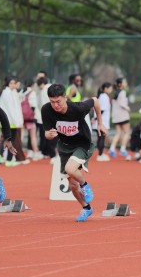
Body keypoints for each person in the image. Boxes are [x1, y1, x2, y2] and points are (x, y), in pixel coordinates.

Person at [42, 84, 108, 222]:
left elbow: (95, 100)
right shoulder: (46, 110)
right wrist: (48, 134)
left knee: (69, 169)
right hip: (65, 147)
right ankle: (86, 208)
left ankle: (85, 185)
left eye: (58, 101)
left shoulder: (78, 108)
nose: (55, 105)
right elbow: (47, 133)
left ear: (65, 98)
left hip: (82, 144)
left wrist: (100, 124)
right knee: (72, 185)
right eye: (52, 102)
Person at [109, 77, 131, 159]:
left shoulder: (115, 93)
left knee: (118, 133)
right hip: (123, 116)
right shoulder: (122, 92)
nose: (126, 83)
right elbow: (122, 104)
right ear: (120, 84)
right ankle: (123, 148)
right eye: (124, 82)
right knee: (127, 133)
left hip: (116, 117)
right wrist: (128, 108)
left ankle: (112, 148)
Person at [22, 78, 43, 161]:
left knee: (21, 136)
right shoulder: (32, 93)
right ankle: (36, 153)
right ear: (32, 85)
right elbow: (33, 106)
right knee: (33, 136)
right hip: (30, 117)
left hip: (23, 117)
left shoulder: (22, 92)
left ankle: (16, 152)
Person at [92, 82, 112, 162]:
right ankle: (100, 155)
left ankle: (100, 154)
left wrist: (94, 118)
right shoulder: (104, 97)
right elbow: (102, 110)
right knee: (102, 138)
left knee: (100, 137)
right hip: (102, 121)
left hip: (99, 121)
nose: (111, 90)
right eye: (110, 88)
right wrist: (96, 119)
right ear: (106, 88)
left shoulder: (100, 96)